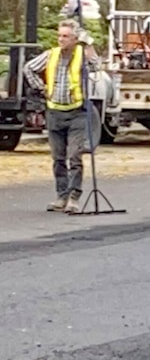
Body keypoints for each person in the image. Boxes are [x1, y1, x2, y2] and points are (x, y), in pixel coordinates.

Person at [24, 19, 100, 214]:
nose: (61, 39)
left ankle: (74, 197)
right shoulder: (51, 55)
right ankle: (61, 195)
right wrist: (41, 88)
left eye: (65, 36)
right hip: (54, 112)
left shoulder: (82, 55)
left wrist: (88, 42)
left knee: (74, 156)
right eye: (59, 35)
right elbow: (29, 68)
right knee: (58, 158)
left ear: (75, 38)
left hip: (77, 113)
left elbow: (96, 65)